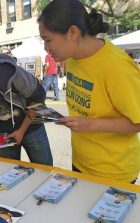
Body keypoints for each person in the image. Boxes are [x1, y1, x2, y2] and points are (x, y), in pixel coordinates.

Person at [38, 0, 140, 183]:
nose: (45, 48)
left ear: (73, 32)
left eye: (48, 40)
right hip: (81, 164)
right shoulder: (71, 59)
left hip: (113, 172)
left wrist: (90, 125)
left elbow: (137, 122)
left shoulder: (116, 66)